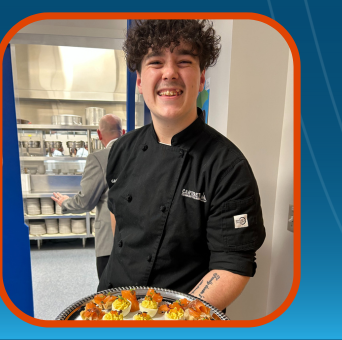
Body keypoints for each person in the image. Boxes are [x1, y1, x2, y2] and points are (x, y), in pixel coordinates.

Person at [97, 20, 266, 312]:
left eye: (184, 61)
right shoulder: (122, 150)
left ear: (201, 78)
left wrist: (169, 318)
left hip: (184, 317)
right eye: (156, 61)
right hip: (114, 304)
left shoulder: (227, 166)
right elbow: (118, 223)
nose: (170, 73)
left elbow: (232, 263)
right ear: (139, 81)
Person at [52, 114, 125, 278]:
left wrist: (66, 203)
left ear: (99, 135)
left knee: (110, 295)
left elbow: (85, 202)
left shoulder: (98, 159)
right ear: (124, 132)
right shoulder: (138, 156)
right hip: (138, 241)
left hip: (110, 241)